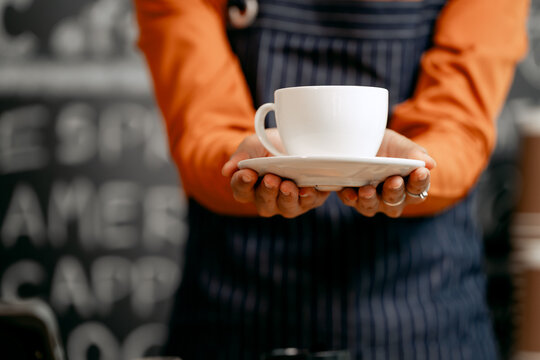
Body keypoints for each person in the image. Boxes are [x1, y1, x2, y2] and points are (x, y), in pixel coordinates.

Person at [134, 0, 529, 358]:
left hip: (423, 317)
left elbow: (459, 128)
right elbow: (201, 129)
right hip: (234, 313)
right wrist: (246, 161)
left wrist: (414, 168)